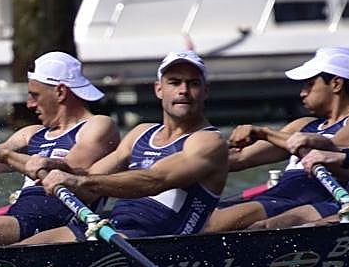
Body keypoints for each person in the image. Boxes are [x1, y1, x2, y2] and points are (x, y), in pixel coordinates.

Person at [26, 51, 228, 243]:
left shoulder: (209, 142)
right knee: (23, 250)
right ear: (159, 89)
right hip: (113, 228)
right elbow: (89, 179)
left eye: (193, 84)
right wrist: (59, 168)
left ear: (205, 91)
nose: (183, 90)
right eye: (174, 83)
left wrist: (78, 181)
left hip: (157, 243)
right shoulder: (141, 133)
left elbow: (155, 180)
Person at [204, 47, 349, 232]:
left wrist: (264, 133)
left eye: (309, 84)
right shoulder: (303, 124)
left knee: (214, 223)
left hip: (318, 196)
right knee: (201, 218)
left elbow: (335, 146)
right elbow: (240, 159)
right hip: (284, 193)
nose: (302, 93)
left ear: (336, 84)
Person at [0, 52, 118, 247]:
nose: (29, 104)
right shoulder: (32, 133)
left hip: (55, 216)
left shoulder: (98, 125)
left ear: (60, 92)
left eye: (35, 95)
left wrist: (5, 157)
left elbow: (69, 172)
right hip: (21, 215)